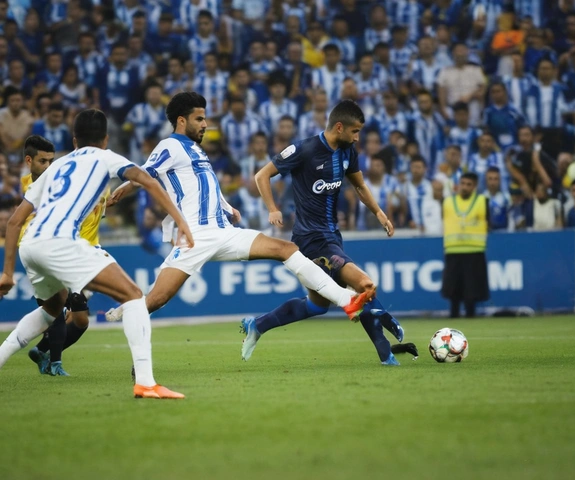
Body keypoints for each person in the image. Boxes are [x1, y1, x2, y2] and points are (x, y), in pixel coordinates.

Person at [105, 93, 371, 336]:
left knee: (286, 248)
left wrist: (226, 206)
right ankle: (130, 314)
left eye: (205, 118)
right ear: (181, 121)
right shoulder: (169, 146)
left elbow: (203, 183)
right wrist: (119, 191)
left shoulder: (196, 149)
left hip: (224, 232)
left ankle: (347, 301)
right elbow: (143, 174)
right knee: (157, 299)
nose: (205, 124)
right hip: (195, 236)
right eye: (199, 119)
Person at [0, 109, 192, 399]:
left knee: (52, 310)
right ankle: (146, 382)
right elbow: (149, 181)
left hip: (30, 245)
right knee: (133, 295)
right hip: (61, 242)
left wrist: (6, 272)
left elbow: (14, 221)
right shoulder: (107, 157)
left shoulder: (56, 166)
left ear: (74, 140)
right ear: (105, 138)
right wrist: (181, 222)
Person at [250, 100, 405, 365]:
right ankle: (386, 355)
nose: (358, 138)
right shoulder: (304, 149)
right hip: (311, 241)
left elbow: (359, 186)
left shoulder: (348, 151)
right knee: (365, 285)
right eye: (355, 132)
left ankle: (257, 325)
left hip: (333, 238)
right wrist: (272, 208)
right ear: (340, 127)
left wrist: (379, 213)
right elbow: (262, 175)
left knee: (317, 306)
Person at [18, 135, 109, 376]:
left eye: (51, 161)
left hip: (74, 251)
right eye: (43, 161)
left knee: (80, 320)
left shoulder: (86, 181)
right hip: (46, 250)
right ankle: (54, 364)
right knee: (57, 310)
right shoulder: (36, 184)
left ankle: (41, 351)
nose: (48, 166)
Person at [441, 172, 490, 318]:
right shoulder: (448, 202)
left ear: (474, 187)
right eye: (462, 183)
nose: (464, 187)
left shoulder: (482, 201)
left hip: (474, 250)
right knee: (453, 291)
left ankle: (471, 318)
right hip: (453, 250)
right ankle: (453, 317)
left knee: (472, 291)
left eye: (469, 184)